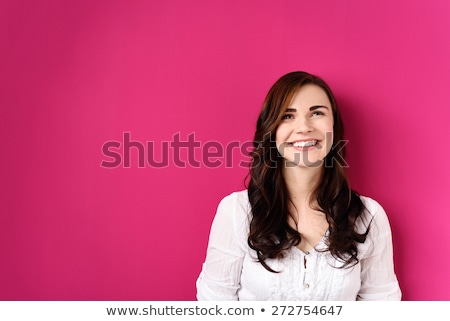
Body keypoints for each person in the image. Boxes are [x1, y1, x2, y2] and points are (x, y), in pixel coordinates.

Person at [196, 71, 401, 300]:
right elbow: (214, 302)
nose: (304, 127)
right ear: (271, 131)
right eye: (287, 116)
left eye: (317, 113)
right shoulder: (236, 211)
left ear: (334, 126)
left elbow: (383, 305)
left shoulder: (369, 216)